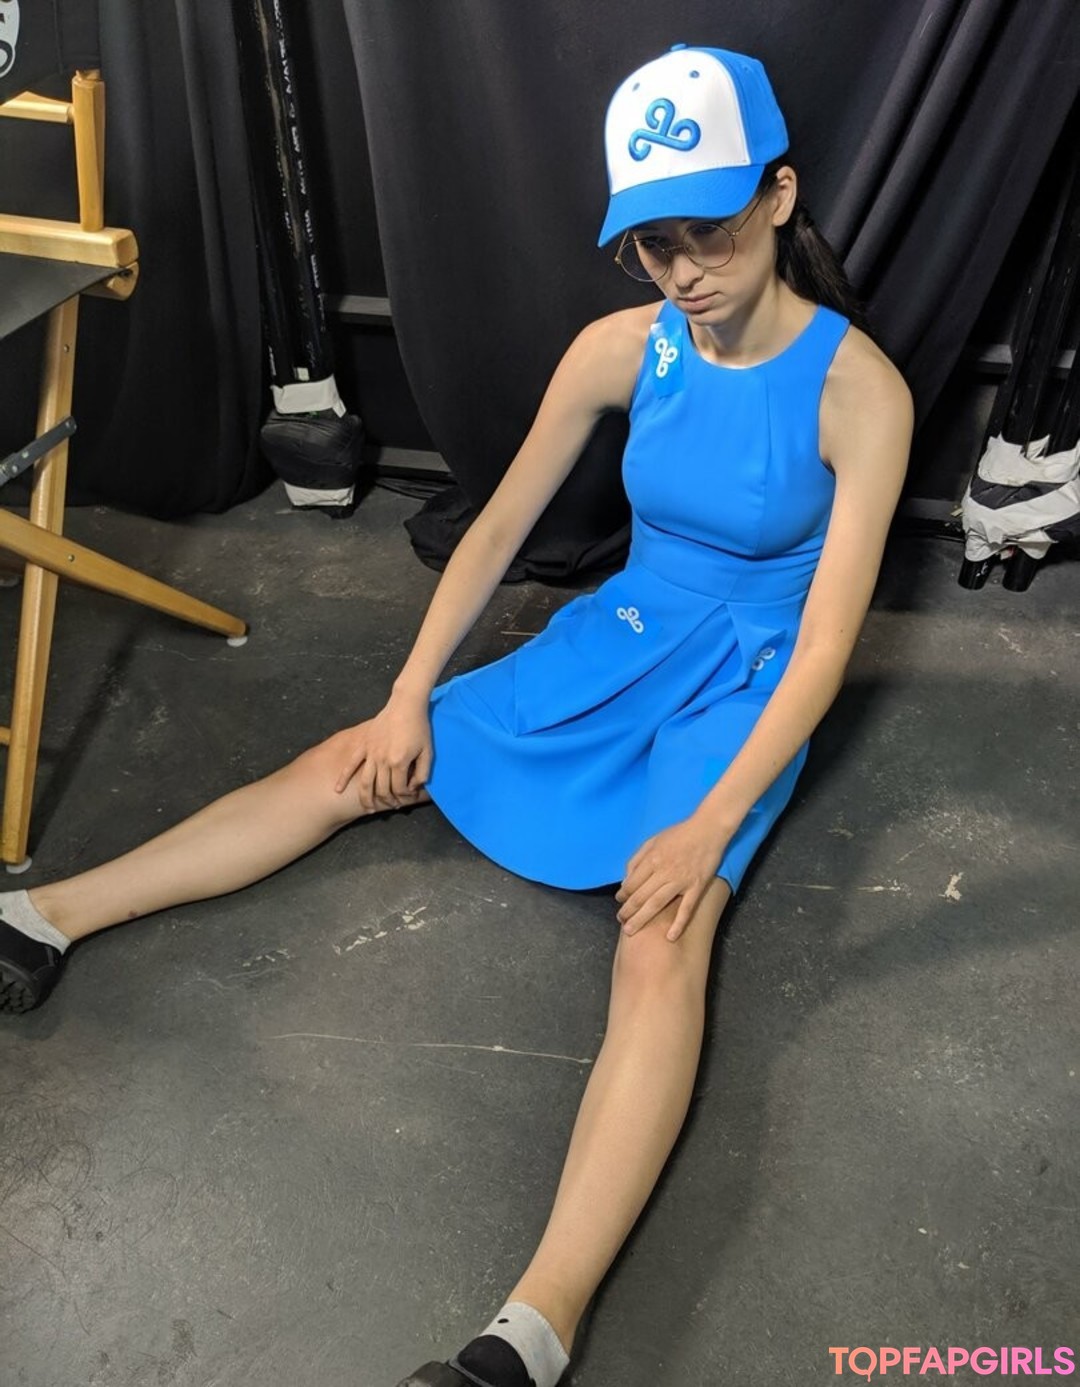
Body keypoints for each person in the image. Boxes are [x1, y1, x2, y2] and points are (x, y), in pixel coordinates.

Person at [0, 43, 912, 1387]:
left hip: (751, 677)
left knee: (663, 940)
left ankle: (534, 1331)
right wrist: (405, 697)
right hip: (626, 633)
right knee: (353, 764)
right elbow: (494, 531)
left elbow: (828, 645)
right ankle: (42, 915)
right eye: (654, 245)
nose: (684, 273)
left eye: (710, 233)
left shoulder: (860, 391)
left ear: (779, 197)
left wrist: (709, 824)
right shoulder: (623, 347)